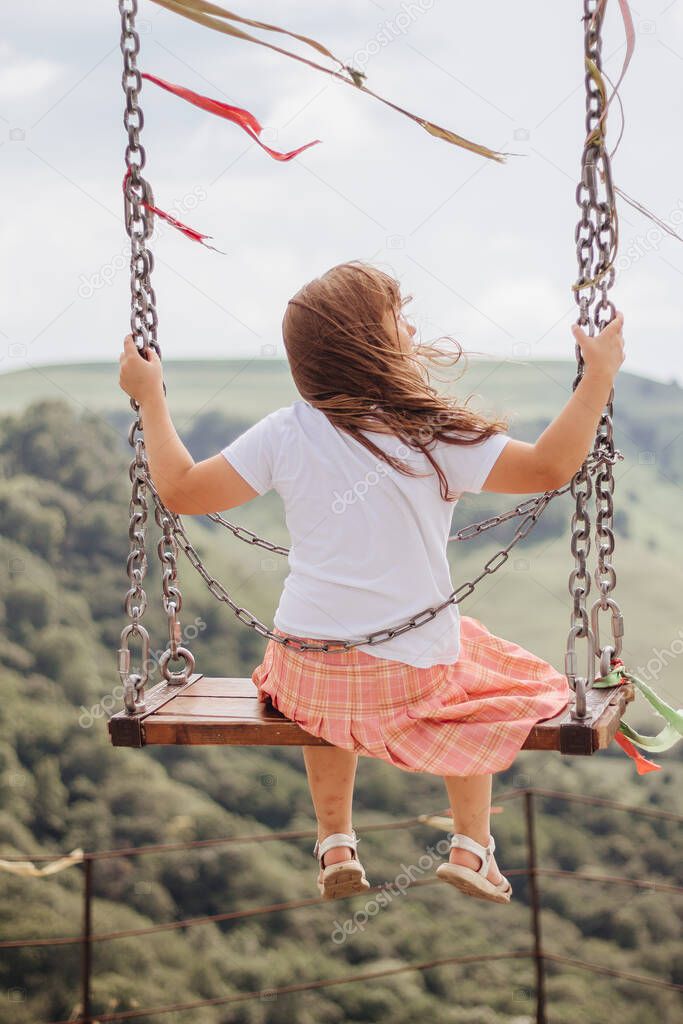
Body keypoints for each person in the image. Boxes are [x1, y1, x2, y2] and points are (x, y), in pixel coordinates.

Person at [118, 260, 625, 905]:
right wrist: (598, 379)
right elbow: (552, 465)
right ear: (373, 344)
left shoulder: (288, 429)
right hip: (407, 677)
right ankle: (473, 847)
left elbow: (183, 490)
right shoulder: (433, 431)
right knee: (479, 680)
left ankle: (334, 840)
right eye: (399, 318)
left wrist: (150, 396)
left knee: (324, 705)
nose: (413, 328)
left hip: (305, 667)